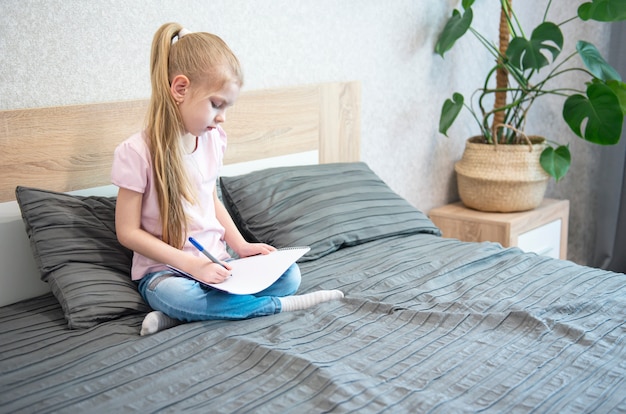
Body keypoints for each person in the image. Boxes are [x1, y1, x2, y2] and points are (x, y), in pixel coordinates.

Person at [112, 23, 343, 336]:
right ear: (180, 89)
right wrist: (192, 266)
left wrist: (242, 246)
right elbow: (127, 232)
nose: (222, 117)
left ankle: (178, 317)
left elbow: (211, 200)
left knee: (291, 276)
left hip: (218, 263)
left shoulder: (212, 139)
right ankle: (276, 306)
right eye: (216, 104)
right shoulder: (136, 152)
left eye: (227, 107)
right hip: (166, 273)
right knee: (176, 295)